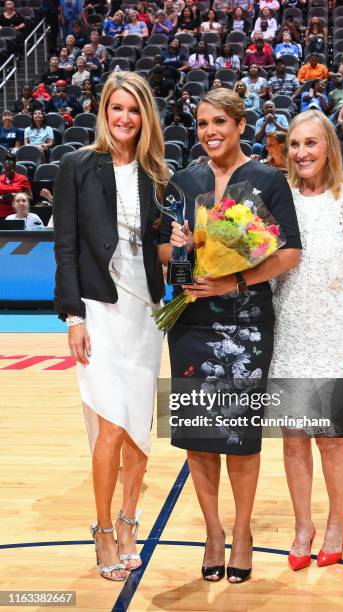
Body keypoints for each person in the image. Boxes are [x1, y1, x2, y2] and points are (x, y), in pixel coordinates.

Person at [158, 88, 301, 584]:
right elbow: (160, 251)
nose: (210, 132)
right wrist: (178, 246)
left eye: (220, 122)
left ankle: (242, 533)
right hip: (189, 321)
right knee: (199, 435)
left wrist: (233, 280)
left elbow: (288, 254)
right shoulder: (183, 180)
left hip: (246, 322)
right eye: (202, 124)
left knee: (240, 439)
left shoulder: (267, 180)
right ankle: (213, 533)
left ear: (240, 125)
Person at [53, 71, 169, 582]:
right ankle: (101, 529)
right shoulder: (76, 166)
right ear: (104, 110)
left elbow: (161, 250)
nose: (125, 118)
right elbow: (66, 247)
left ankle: (129, 522)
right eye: (117, 108)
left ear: (145, 117)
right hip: (99, 312)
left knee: (139, 432)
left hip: (147, 315)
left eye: (134, 110)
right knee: (110, 427)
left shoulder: (157, 175)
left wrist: (184, 244)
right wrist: (73, 316)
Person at [269, 109, 343, 571]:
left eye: (311, 143)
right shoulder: (280, 198)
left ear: (329, 145)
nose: (302, 152)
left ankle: (335, 523)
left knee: (330, 438)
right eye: (295, 144)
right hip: (288, 330)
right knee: (293, 437)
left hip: (334, 333)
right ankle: (302, 526)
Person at [0, 154, 32, 218]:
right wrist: (2, 197)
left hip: (17, 214)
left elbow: (30, 197)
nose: (8, 172)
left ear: (15, 167)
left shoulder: (23, 179)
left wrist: (17, 196)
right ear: (4, 168)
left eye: (11, 169)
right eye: (7, 169)